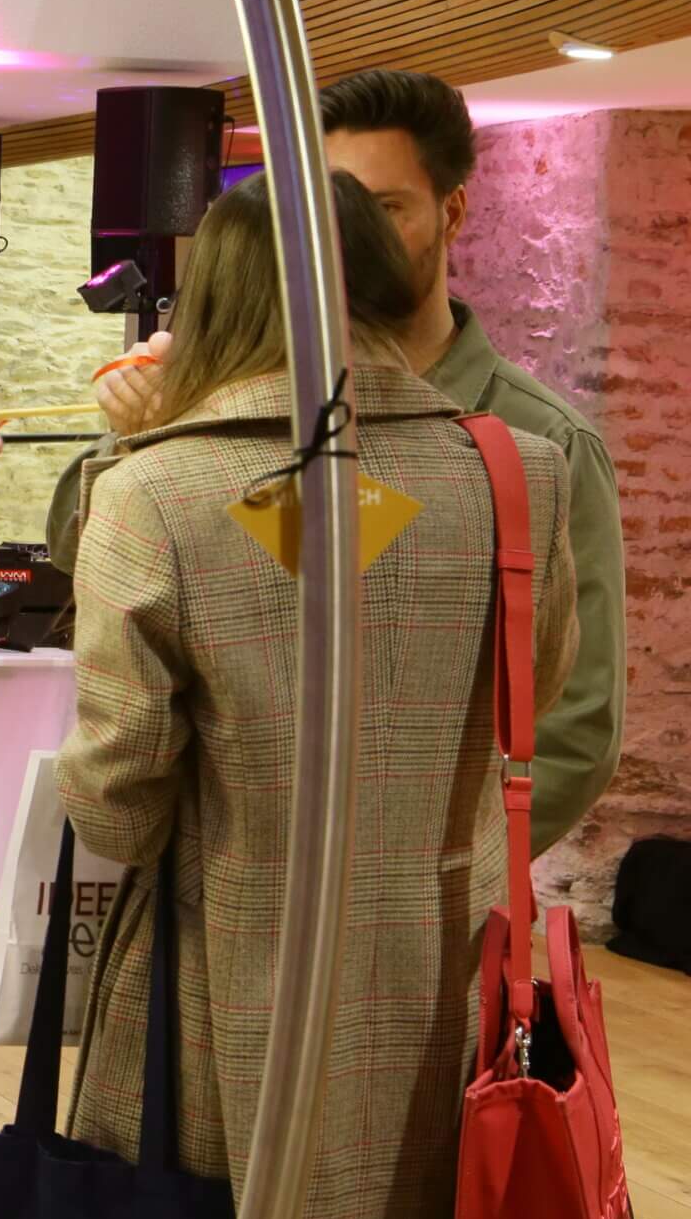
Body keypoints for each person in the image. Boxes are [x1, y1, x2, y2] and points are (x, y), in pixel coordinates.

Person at [58, 171, 578, 1219]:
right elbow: (535, 696)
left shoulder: (152, 494)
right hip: (444, 979)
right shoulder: (522, 474)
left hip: (217, 981)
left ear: (213, 302)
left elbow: (115, 806)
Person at [49, 70, 621, 852]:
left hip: (433, 914)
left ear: (451, 211)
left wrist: (440, 873)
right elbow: (88, 570)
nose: (342, 245)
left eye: (379, 210)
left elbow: (573, 725)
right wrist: (151, 436)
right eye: (326, 211)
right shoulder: (238, 404)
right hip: (240, 879)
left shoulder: (541, 445)